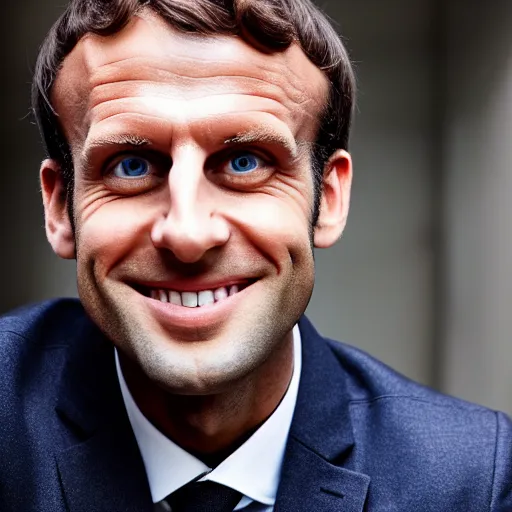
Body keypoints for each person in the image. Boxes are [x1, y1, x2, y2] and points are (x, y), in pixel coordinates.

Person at [0, 0, 510, 510]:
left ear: (328, 199)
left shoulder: (471, 480)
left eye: (245, 161)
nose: (188, 233)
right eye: (131, 165)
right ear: (60, 208)